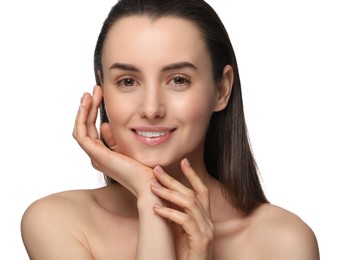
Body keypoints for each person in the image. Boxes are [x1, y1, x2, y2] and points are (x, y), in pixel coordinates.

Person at [21, 0, 320, 259]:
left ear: (221, 89)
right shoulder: (58, 221)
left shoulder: (283, 242)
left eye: (178, 80)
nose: (151, 109)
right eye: (128, 81)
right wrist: (149, 195)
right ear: (102, 89)